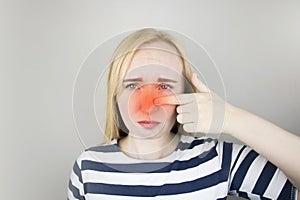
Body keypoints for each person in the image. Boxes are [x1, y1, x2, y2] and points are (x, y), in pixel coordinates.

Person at [68, 28, 300, 199]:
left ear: (185, 94)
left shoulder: (218, 160)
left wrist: (229, 118)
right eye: (132, 85)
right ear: (115, 94)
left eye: (165, 86)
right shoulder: (88, 168)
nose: (147, 104)